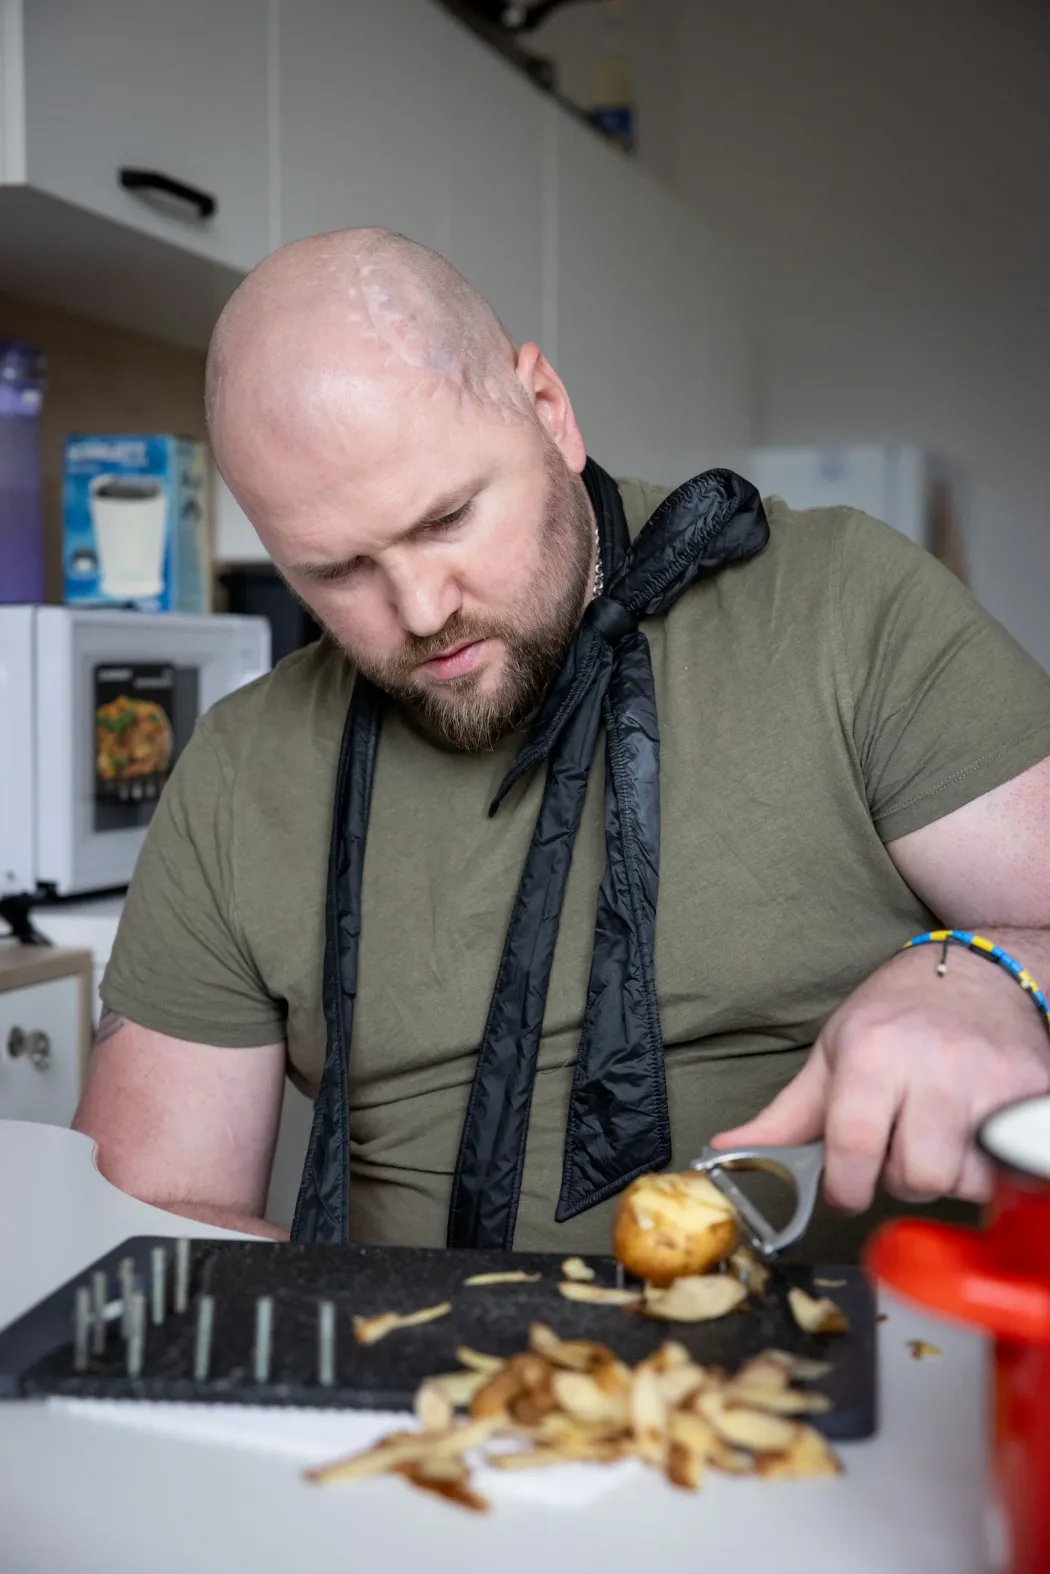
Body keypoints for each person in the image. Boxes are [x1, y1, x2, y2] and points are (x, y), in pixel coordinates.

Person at [73, 228, 1050, 1258]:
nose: (419, 608)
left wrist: (992, 967)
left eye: (447, 517)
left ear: (548, 410)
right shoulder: (239, 767)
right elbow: (150, 1220)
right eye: (337, 570)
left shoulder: (848, 605)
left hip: (887, 1372)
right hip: (429, 1394)